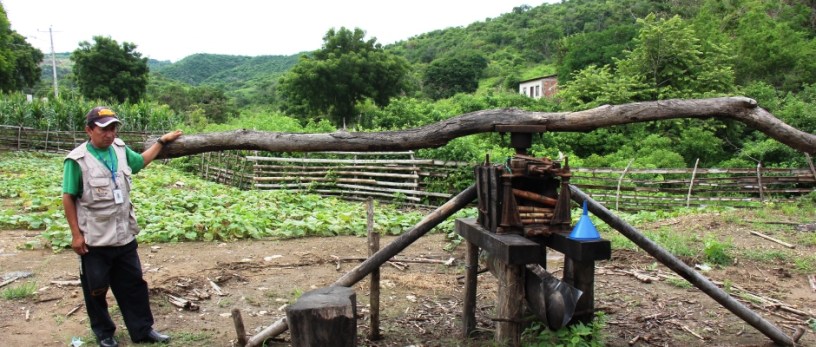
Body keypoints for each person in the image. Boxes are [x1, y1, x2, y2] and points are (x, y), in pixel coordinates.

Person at [62, 106, 182, 347]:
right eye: (104, 129)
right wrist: (76, 235)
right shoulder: (77, 160)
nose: (110, 134)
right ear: (89, 130)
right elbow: (68, 197)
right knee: (96, 290)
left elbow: (141, 162)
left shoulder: (119, 149)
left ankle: (143, 330)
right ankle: (104, 334)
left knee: (134, 285)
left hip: (124, 235)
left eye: (113, 128)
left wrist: (161, 142)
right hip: (95, 240)